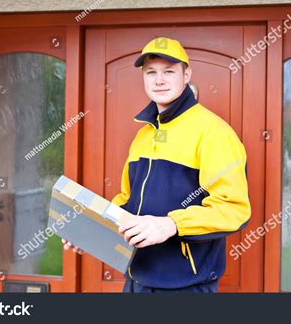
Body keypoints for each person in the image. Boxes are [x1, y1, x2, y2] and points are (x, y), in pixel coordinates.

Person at [63, 37, 251, 293]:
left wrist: (171, 224)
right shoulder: (144, 135)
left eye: (169, 71)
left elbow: (233, 210)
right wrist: (94, 231)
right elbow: (127, 200)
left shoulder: (214, 132)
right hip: (136, 280)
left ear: (187, 75)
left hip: (186, 286)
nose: (159, 80)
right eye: (151, 72)